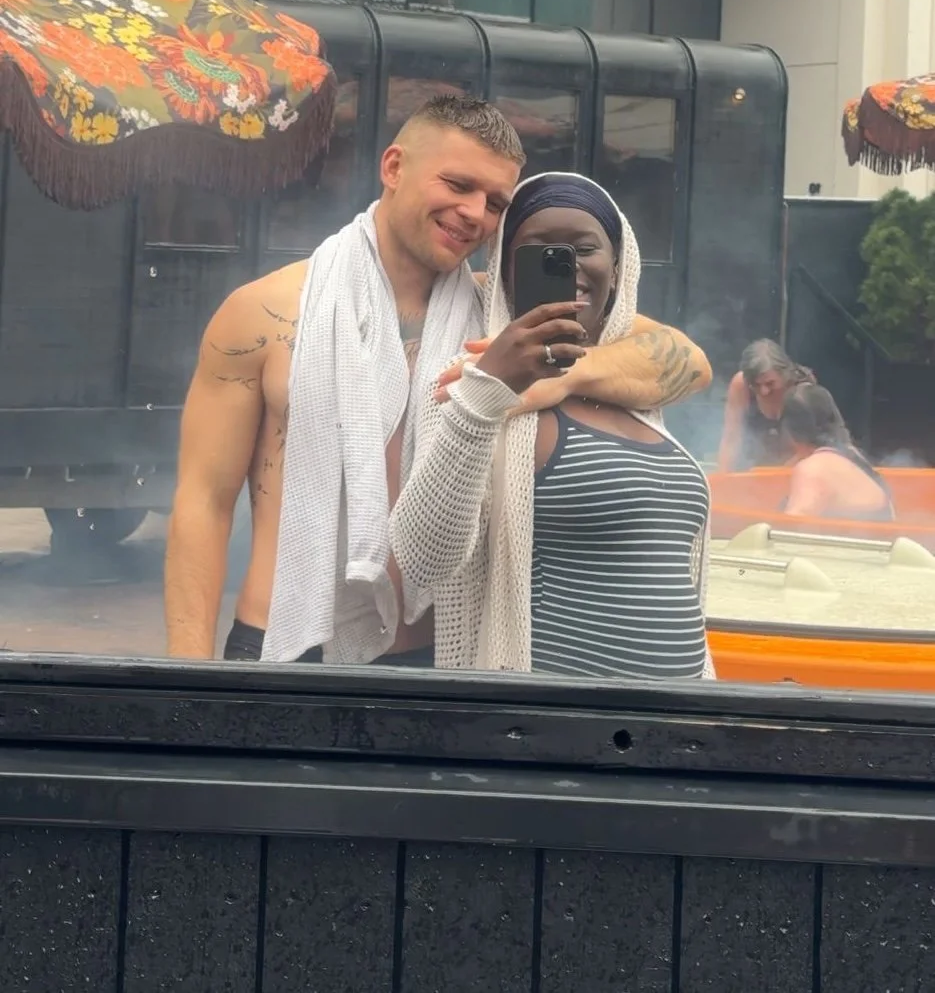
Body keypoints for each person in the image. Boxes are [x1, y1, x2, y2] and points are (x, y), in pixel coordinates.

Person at [164, 96, 712, 663]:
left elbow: (688, 361)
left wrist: (566, 377)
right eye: (458, 184)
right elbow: (204, 501)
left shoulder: (504, 320)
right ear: (394, 167)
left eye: (495, 203)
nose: (474, 213)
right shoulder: (265, 313)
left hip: (441, 652)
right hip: (286, 643)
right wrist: (184, 677)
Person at [390, 173, 715, 680]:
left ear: (618, 268)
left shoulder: (632, 386)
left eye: (585, 248)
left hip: (680, 716)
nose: (568, 265)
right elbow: (422, 560)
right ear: (505, 271)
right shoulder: (469, 378)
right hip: (551, 715)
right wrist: (485, 394)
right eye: (537, 250)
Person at [781, 385, 893, 522]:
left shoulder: (814, 469)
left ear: (790, 430)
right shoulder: (852, 455)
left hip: (856, 535)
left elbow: (791, 528)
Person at [717, 339, 814, 473]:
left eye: (770, 383)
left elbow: (808, 450)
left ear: (785, 375)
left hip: (796, 470)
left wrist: (774, 479)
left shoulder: (802, 390)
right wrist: (722, 477)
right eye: (756, 385)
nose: (764, 391)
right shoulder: (741, 385)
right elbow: (731, 438)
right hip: (753, 469)